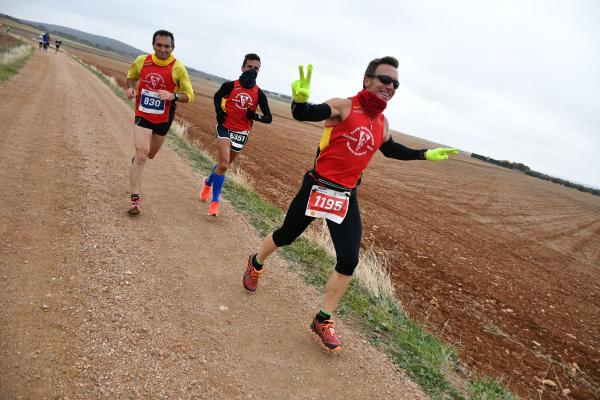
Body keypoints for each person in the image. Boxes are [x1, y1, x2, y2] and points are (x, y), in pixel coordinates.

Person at [241, 57, 458, 352]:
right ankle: (256, 263)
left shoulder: (382, 122)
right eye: (385, 79)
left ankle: (323, 319)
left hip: (345, 196)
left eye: (395, 83)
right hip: (316, 186)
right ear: (367, 80)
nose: (390, 86)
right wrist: (299, 102)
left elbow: (390, 149)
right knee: (286, 236)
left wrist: (424, 154)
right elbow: (307, 114)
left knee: (348, 259)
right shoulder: (344, 106)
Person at [125, 29, 194, 215]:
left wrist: (173, 95)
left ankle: (136, 163)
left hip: (164, 117)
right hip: (143, 113)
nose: (163, 49)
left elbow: (189, 96)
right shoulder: (142, 61)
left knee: (150, 155)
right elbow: (131, 77)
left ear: (173, 47)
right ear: (153, 45)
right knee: (142, 154)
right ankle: (135, 201)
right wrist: (131, 89)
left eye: (167, 46)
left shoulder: (178, 68)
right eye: (159, 45)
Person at [199, 53, 272, 216]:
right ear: (242, 68)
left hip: (241, 133)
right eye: (249, 67)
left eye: (256, 68)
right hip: (225, 127)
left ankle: (208, 182)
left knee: (222, 166)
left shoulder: (259, 94)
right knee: (223, 164)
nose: (252, 70)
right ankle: (215, 201)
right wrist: (219, 111)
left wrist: (256, 117)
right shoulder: (230, 86)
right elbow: (217, 96)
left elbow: (269, 118)